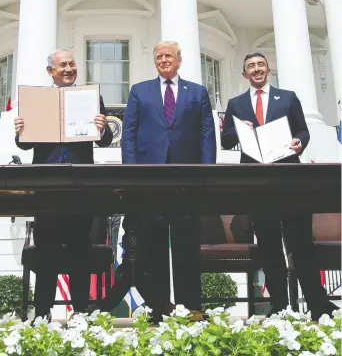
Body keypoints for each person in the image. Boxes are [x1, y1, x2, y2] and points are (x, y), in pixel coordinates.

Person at [221, 52, 337, 320]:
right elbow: (226, 140)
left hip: (290, 181)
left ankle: (318, 305)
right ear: (244, 74)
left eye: (260, 64)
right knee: (270, 247)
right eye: (251, 66)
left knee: (301, 243)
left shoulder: (287, 97)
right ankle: (280, 307)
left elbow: (302, 131)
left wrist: (299, 142)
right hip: (258, 185)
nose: (257, 69)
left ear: (268, 69)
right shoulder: (236, 104)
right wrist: (239, 130)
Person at [14, 49, 113, 319]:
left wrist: (102, 127)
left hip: (80, 185)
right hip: (47, 187)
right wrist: (21, 129)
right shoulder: (38, 100)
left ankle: (80, 311)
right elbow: (24, 144)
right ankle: (43, 313)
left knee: (81, 250)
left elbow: (103, 140)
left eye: (72, 64)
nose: (69, 69)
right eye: (62, 65)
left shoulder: (91, 98)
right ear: (51, 71)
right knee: (47, 252)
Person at [121, 41, 216, 322]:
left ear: (179, 60)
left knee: (187, 244)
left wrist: (206, 171)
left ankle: (191, 308)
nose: (164, 60)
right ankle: (158, 308)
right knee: (153, 247)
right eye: (159, 56)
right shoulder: (140, 91)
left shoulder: (197, 92)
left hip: (187, 179)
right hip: (151, 180)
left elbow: (206, 133)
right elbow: (129, 133)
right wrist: (132, 172)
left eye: (169, 56)